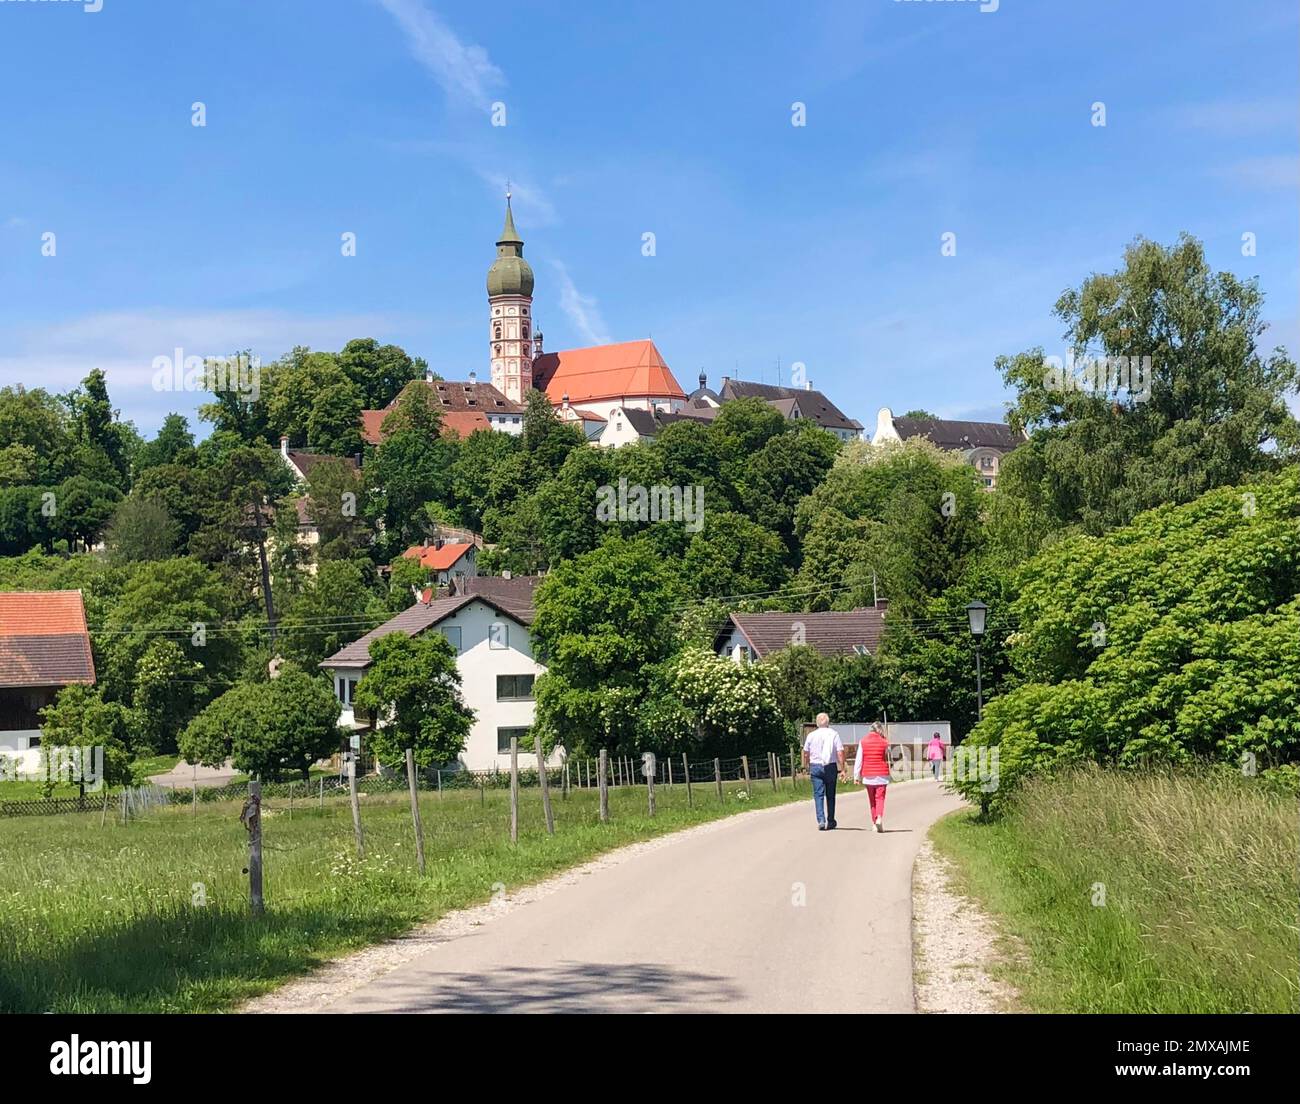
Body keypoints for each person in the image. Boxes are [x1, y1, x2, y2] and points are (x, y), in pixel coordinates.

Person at [802, 713, 845, 831]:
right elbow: (840, 752)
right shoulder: (834, 734)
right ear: (828, 722)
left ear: (816, 723)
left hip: (815, 766)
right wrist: (842, 768)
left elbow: (806, 752)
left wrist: (806, 765)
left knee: (818, 794)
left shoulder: (811, 735)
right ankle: (831, 820)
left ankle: (821, 820)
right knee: (830, 795)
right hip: (830, 766)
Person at [854, 722, 892, 832]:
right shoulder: (884, 742)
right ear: (880, 730)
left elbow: (859, 760)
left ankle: (874, 823)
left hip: (868, 775)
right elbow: (888, 755)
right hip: (882, 774)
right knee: (880, 798)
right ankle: (879, 817)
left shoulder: (863, 741)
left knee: (872, 800)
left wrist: (857, 776)